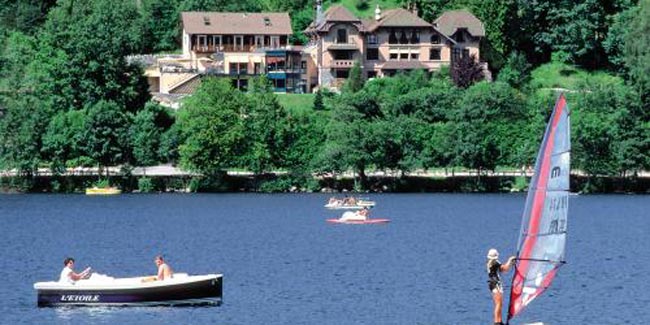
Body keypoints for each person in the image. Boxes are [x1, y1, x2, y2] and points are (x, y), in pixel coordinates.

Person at [486, 249, 516, 325]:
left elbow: (503, 270)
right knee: (498, 304)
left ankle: (499, 321)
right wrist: (510, 260)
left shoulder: (489, 262)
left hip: (493, 284)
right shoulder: (495, 262)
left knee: (499, 304)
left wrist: (511, 263)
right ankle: (497, 322)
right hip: (496, 284)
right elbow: (505, 268)